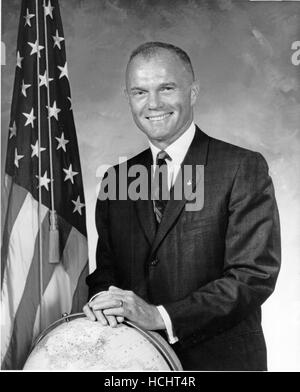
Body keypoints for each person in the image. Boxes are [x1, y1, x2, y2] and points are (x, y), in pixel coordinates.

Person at [83, 42, 281, 371]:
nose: (153, 104)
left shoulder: (240, 167)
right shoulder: (116, 179)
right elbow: (106, 273)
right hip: (133, 366)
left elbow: (252, 276)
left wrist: (161, 316)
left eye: (167, 88)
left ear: (192, 92)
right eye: (140, 92)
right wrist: (104, 301)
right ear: (128, 97)